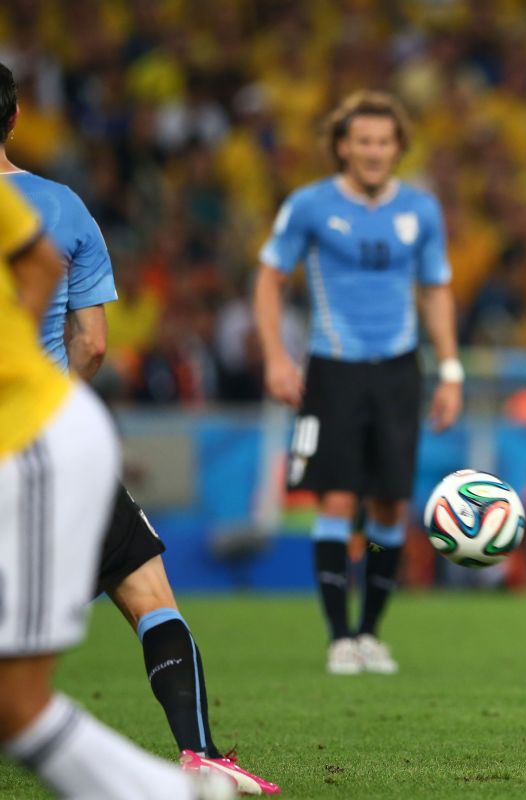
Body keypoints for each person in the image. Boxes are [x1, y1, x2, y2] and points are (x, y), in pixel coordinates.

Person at [0, 63, 277, 795]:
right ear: (17, 117)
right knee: (146, 591)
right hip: (45, 441)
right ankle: (200, 754)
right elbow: (92, 342)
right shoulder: (59, 207)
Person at [254, 90, 462, 675]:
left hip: (399, 369)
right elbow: (269, 280)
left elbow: (436, 290)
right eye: (362, 141)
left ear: (398, 148)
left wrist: (449, 370)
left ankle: (370, 632)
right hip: (332, 368)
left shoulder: (420, 210)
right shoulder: (310, 206)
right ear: (343, 146)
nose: (373, 151)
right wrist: (276, 355)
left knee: (390, 507)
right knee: (338, 498)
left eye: (383, 142)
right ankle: (338, 636)